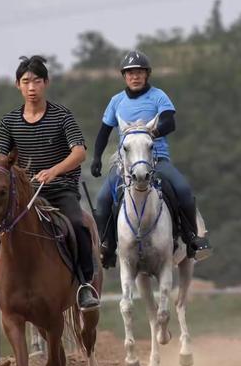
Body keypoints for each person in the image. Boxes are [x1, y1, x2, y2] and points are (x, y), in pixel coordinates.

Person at [0, 55, 100, 312]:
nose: (31, 87)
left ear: (46, 83)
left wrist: (54, 171)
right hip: (20, 195)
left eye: (36, 81)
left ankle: (85, 285)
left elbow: (80, 152)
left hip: (60, 190)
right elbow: (0, 161)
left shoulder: (62, 116)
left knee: (77, 223)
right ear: (17, 85)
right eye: (25, 81)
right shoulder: (9, 122)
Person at [91, 50, 212, 267]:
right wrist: (97, 158)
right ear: (124, 77)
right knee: (102, 199)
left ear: (147, 74)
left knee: (183, 189)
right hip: (126, 164)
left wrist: (151, 134)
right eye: (130, 73)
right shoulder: (116, 101)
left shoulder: (158, 96)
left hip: (157, 159)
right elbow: (104, 131)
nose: (135, 77)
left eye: (139, 73)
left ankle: (192, 239)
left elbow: (169, 122)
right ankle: (106, 246)